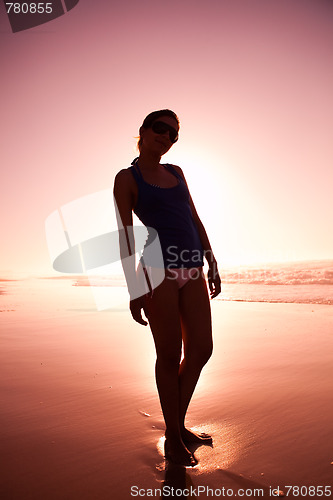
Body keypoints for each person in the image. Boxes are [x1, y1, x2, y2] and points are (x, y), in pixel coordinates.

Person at [113, 109, 221, 466]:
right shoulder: (127, 178)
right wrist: (133, 288)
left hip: (193, 267)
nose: (166, 137)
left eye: (173, 134)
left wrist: (212, 259)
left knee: (201, 350)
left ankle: (176, 426)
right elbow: (126, 237)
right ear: (143, 130)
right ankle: (174, 438)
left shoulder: (176, 173)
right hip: (158, 270)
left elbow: (193, 216)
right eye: (160, 129)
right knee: (169, 355)